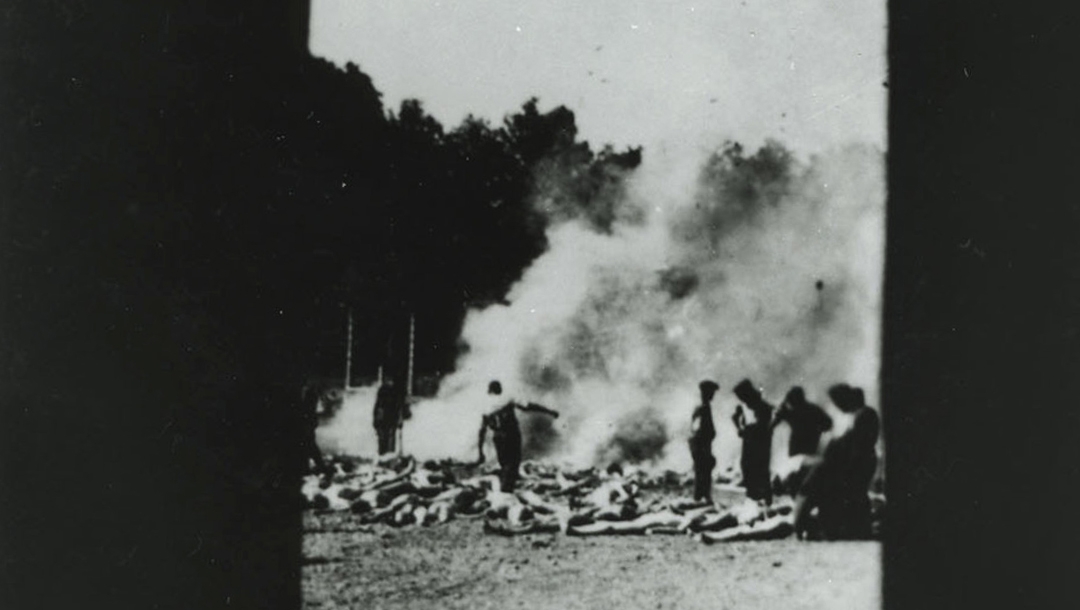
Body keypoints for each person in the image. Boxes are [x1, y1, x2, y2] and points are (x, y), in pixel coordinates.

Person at [794, 383, 881, 540]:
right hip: (856, 462)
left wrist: (836, 450)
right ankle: (845, 529)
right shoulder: (861, 415)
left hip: (857, 463)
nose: (838, 407)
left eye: (839, 402)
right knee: (852, 496)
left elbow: (854, 443)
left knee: (847, 495)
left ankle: (834, 529)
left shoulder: (863, 415)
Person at [477, 380, 559, 492]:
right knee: (512, 464)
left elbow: (482, 431)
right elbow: (528, 406)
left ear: (489, 391)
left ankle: (506, 489)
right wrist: (549, 411)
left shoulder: (485, 407)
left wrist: (480, 452)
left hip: (498, 437)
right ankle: (505, 492)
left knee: (505, 464)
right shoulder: (507, 399)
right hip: (510, 435)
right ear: (499, 389)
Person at [732, 378, 774, 505]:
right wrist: (737, 423)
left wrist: (744, 429)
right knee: (748, 469)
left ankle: (763, 500)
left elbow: (761, 428)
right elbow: (744, 427)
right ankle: (754, 500)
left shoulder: (763, 408)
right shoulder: (751, 408)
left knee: (759, 471)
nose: (743, 401)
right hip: (750, 444)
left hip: (759, 445)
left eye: (744, 398)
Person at [772, 386, 833, 457]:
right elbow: (828, 424)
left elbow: (773, 425)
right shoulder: (814, 409)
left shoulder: (792, 413)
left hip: (797, 451)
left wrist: (783, 405)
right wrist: (816, 430)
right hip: (811, 449)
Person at [689, 380, 720, 502]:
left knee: (704, 470)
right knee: (702, 470)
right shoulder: (703, 409)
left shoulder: (703, 408)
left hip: (703, 444)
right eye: (711, 393)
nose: (712, 395)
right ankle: (700, 497)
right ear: (705, 393)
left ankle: (703, 495)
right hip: (701, 445)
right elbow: (696, 428)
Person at [301, 382, 331, 476]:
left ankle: (315, 466)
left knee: (307, 444)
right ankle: (317, 465)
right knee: (308, 444)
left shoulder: (307, 392)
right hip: (307, 421)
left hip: (306, 421)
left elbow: (309, 409)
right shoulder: (309, 391)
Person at [372, 377, 406, 455]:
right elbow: (378, 406)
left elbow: (399, 407)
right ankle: (385, 455)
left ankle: (386, 455)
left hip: (389, 419)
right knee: (386, 437)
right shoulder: (387, 391)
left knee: (387, 437)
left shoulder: (394, 391)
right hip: (386, 419)